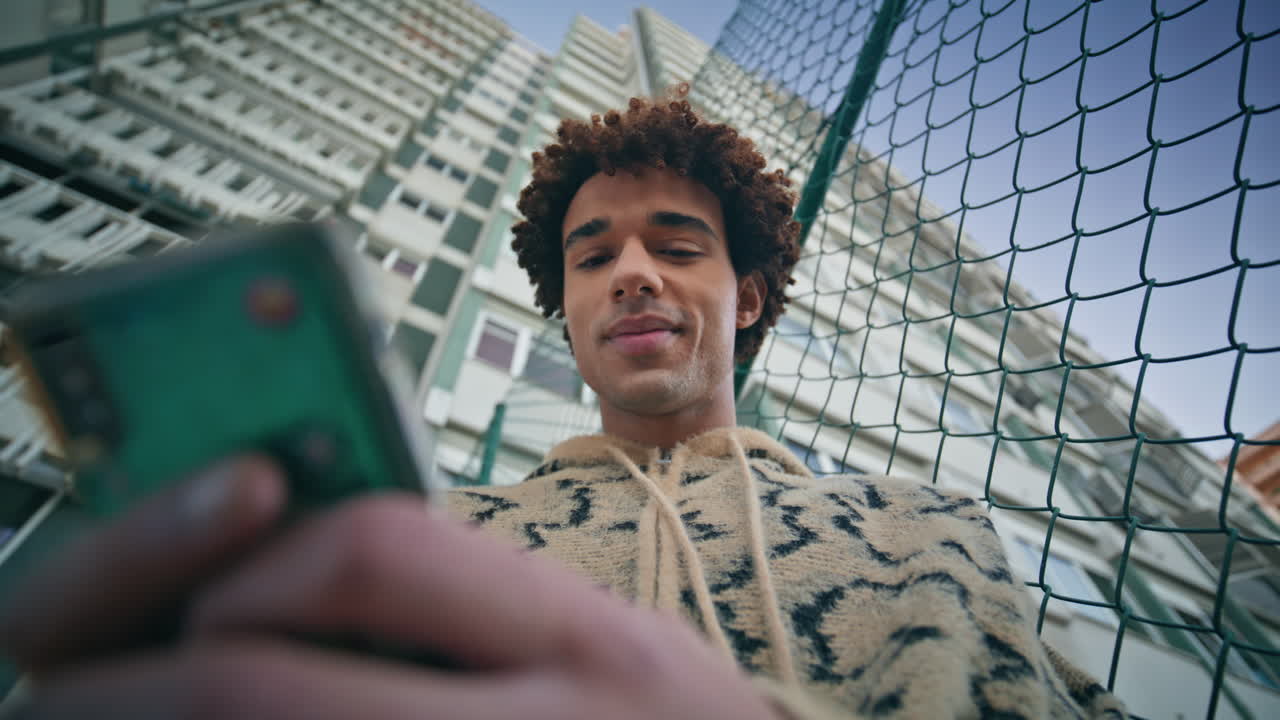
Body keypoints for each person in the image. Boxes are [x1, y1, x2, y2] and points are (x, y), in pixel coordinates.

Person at [0, 91, 1125, 719]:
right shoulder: (437, 541)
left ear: (745, 297)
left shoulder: (933, 530)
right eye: (593, 258)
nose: (630, 271)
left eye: (673, 245)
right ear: (569, 313)